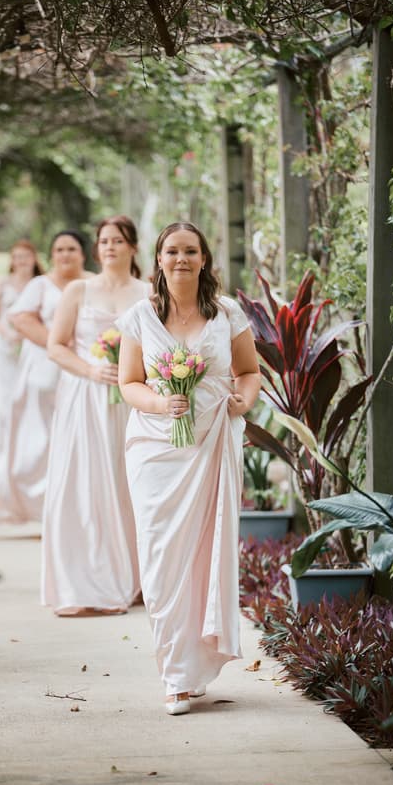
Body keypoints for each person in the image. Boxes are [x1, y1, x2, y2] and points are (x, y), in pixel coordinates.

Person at [117, 221, 261, 715]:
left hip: (214, 444)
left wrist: (243, 400)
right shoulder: (138, 316)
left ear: (204, 260)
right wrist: (162, 405)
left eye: (190, 251)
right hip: (154, 451)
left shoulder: (227, 314)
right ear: (157, 260)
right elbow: (128, 383)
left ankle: (191, 669)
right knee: (161, 560)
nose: (181, 259)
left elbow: (249, 370)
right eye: (172, 251)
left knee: (204, 556)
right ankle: (174, 674)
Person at [42, 216, 149, 615]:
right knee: (85, 485)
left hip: (132, 399)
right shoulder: (78, 290)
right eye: (103, 241)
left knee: (129, 484)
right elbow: (55, 346)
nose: (109, 247)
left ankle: (137, 576)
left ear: (133, 248)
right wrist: (90, 369)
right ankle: (86, 579)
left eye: (118, 241)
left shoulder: (150, 293)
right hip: (85, 397)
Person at [0, 230, 90, 525]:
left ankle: (76, 505)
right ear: (52, 255)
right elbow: (19, 318)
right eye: (59, 249)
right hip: (44, 367)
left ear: (83, 253)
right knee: (40, 440)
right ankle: (42, 506)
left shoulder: (93, 282)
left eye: (71, 249)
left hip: (85, 368)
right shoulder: (41, 285)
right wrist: (58, 344)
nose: (65, 255)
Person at [0, 240, 43, 485]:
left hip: (31, 348)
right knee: (3, 401)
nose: (21, 261)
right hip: (3, 349)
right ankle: (2, 455)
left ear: (34, 258)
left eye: (26, 256)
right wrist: (7, 332)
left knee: (30, 400)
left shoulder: (40, 283)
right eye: (17, 257)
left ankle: (27, 456)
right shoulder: (2, 284)